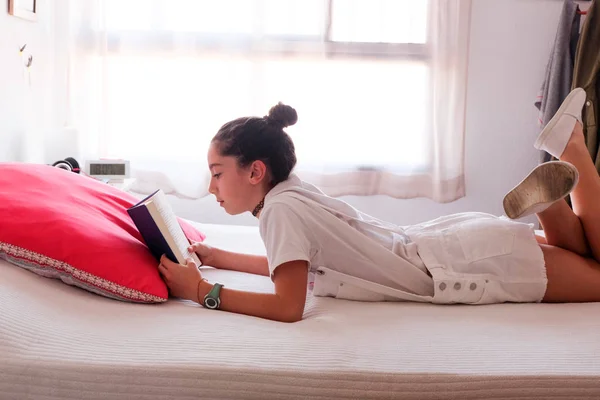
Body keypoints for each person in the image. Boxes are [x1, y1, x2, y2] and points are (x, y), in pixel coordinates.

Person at [158, 88, 600, 323]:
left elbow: (288, 306)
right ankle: (552, 199)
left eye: (217, 173)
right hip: (462, 247)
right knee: (583, 257)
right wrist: (219, 258)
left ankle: (570, 160)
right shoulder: (291, 193)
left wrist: (201, 292)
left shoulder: (278, 212)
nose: (211, 186)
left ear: (255, 172)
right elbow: (291, 264)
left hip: (468, 265)